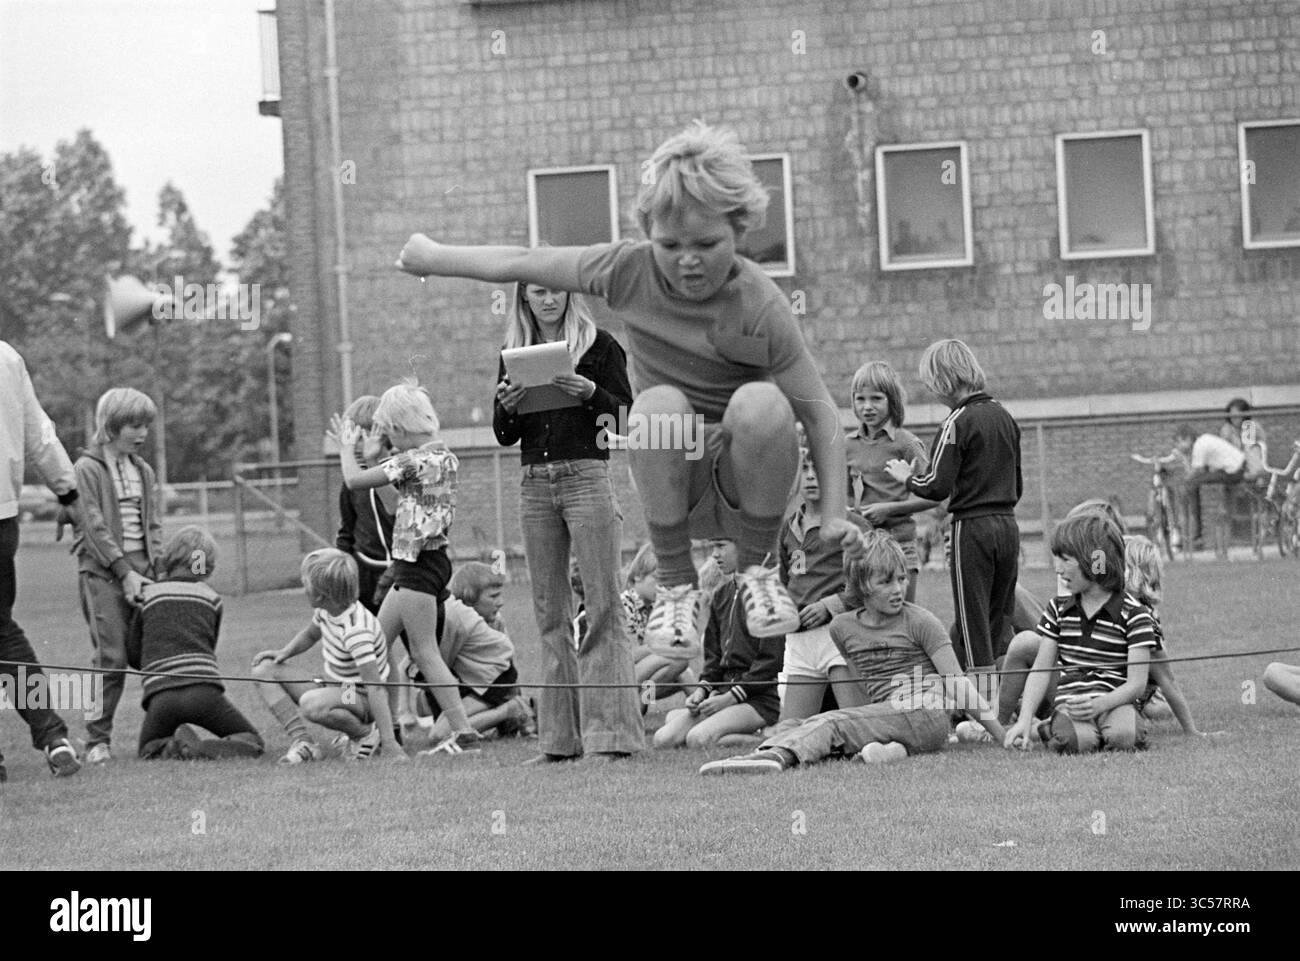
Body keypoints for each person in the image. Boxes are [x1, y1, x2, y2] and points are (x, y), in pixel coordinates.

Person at [397, 119, 861, 671]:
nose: (689, 260)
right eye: (671, 245)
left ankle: (759, 574)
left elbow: (820, 413)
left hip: (747, 480)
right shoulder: (626, 271)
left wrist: (832, 513)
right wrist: (432, 255)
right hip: (676, 469)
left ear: (740, 229)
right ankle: (674, 585)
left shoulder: (759, 303)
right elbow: (521, 262)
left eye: (708, 244)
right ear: (647, 233)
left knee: (763, 404)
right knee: (659, 404)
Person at [699, 531, 1004, 774]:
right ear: (859, 584)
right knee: (801, 723)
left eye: (901, 578)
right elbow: (862, 692)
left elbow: (958, 683)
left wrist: (1000, 734)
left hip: (927, 711)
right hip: (890, 717)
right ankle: (885, 752)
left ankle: (777, 755)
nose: (898, 589)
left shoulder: (921, 621)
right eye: (885, 581)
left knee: (833, 721)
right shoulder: (843, 628)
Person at [490, 279, 643, 764]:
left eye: (556, 290)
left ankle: (611, 736)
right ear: (525, 300)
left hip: (586, 476)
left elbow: (624, 421)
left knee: (602, 606)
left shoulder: (600, 347)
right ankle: (559, 742)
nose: (548, 299)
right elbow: (504, 434)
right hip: (534, 482)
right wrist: (506, 407)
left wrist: (591, 391)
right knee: (549, 615)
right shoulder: (514, 352)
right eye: (538, 292)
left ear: (570, 295)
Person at [331, 381, 480, 749]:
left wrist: (349, 451)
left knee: (425, 652)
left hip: (417, 567)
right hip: (419, 563)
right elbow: (397, 506)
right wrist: (375, 457)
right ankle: (387, 731)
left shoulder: (410, 460)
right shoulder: (440, 457)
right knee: (376, 645)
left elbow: (353, 480)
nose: (386, 441)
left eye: (387, 432)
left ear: (398, 428)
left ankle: (464, 733)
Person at [885, 340, 1022, 680]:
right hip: (1008, 525)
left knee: (972, 616)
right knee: (999, 616)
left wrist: (907, 478)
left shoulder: (957, 421)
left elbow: (937, 486)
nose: (930, 390)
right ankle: (1004, 696)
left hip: (971, 528)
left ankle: (984, 707)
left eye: (930, 381)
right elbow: (1017, 483)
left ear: (943, 378)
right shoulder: (1004, 416)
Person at [0, 339, 83, 780]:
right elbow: (39, 434)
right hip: (1, 516)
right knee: (3, 632)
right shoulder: (6, 357)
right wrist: (66, 490)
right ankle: (53, 736)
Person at [1004, 513, 1155, 754]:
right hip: (1073, 705)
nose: (1058, 569)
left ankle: (1055, 728)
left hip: (1114, 702)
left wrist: (1101, 704)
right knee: (1078, 742)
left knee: (1124, 737)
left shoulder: (1135, 614)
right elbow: (1041, 669)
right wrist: (1024, 718)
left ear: (1096, 561)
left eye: (1065, 560)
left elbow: (1137, 684)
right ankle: (1046, 727)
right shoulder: (1058, 610)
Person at [71, 387, 164, 764]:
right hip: (104, 572)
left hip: (145, 571)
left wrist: (154, 569)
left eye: (146, 426)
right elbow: (93, 527)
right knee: (111, 655)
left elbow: (153, 524)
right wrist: (124, 571)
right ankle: (96, 741)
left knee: (155, 654)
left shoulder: (142, 469)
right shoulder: (87, 468)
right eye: (134, 425)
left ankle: (160, 735)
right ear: (111, 425)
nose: (142, 434)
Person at [252, 548, 403, 763]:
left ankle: (364, 735)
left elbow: (376, 687)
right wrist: (283, 653)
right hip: (338, 687)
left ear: (321, 594)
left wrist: (390, 742)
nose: (303, 588)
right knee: (263, 669)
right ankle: (303, 742)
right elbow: (311, 634)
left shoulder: (356, 632)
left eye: (306, 584)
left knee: (311, 704)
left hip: (357, 696)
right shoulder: (327, 610)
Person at [129, 526, 264, 760]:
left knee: (148, 749)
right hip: (204, 692)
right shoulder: (211, 598)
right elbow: (208, 644)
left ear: (169, 559)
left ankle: (172, 747)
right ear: (206, 566)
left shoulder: (147, 596)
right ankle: (209, 748)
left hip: (161, 697)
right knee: (251, 741)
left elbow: (132, 652)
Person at [654, 540, 782, 749]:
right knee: (663, 739)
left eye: (721, 546)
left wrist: (730, 698)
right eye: (713, 547)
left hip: (757, 700)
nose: (714, 554)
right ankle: (723, 727)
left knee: (697, 739)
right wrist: (701, 692)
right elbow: (713, 660)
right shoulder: (721, 596)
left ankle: (766, 740)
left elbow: (770, 663)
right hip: (720, 694)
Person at [776, 442, 871, 722]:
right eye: (804, 469)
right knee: (789, 731)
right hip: (799, 640)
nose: (810, 476)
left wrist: (832, 605)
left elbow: (873, 583)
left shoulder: (853, 525)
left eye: (817, 469)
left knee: (858, 725)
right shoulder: (787, 527)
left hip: (839, 634)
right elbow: (784, 582)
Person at [395, 562, 532, 747]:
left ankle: (511, 709)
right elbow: (407, 665)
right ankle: (501, 713)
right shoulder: (458, 621)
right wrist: (405, 712)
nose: (500, 602)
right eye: (493, 596)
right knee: (424, 706)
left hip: (491, 682)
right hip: (471, 683)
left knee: (439, 735)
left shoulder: (495, 622)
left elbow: (506, 661)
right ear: (469, 598)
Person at [845, 360, 938, 602]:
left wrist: (890, 509)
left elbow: (936, 494)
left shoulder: (907, 444)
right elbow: (842, 494)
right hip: (861, 548)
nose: (867, 407)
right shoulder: (847, 446)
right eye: (860, 399)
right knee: (860, 618)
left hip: (900, 545)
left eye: (876, 398)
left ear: (892, 400)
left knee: (902, 619)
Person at [335, 394, 396, 615]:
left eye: (360, 437)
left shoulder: (399, 470)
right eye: (351, 438)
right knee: (372, 642)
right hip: (365, 575)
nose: (354, 445)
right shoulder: (350, 484)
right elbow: (346, 532)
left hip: (401, 572)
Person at [623, 544, 697, 710]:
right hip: (616, 679)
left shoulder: (654, 606)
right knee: (678, 659)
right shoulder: (625, 606)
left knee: (684, 671)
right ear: (637, 577)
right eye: (657, 579)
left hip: (639, 679)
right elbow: (629, 657)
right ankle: (637, 709)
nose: (663, 586)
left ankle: (701, 709)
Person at [1174, 423, 1247, 549]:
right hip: (1236, 468)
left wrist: (1183, 462)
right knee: (1194, 482)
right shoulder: (1203, 442)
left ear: (1189, 439)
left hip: (1234, 472)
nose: (1178, 446)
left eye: (1179, 442)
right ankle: (1193, 520)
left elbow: (1196, 471)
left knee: (1192, 483)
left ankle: (1190, 520)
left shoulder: (1200, 446)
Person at [1219, 397, 1268, 479]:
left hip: (1250, 463)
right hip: (1233, 463)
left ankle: (1255, 476)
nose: (1233, 419)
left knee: (1250, 448)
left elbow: (1249, 450)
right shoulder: (1227, 428)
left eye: (1237, 416)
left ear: (1244, 415)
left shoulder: (1249, 426)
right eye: (1231, 415)